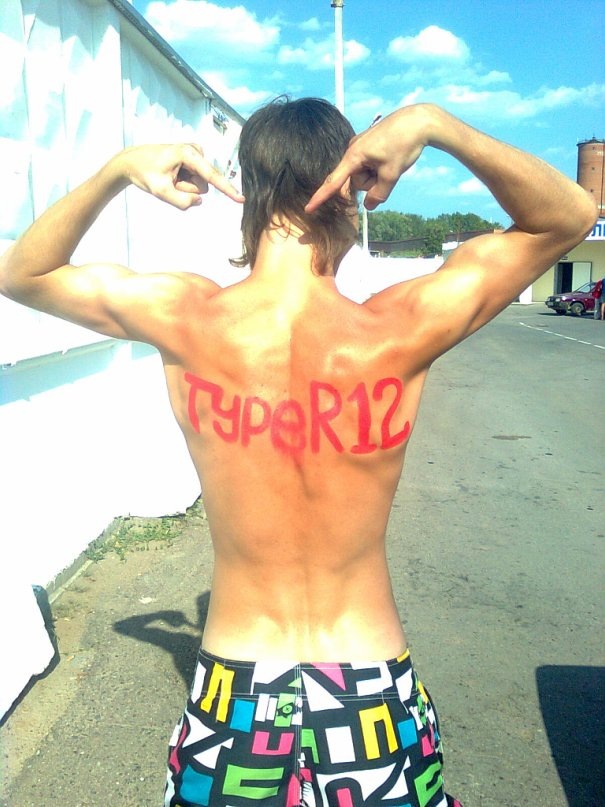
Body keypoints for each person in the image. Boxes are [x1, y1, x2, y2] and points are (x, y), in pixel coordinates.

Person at [0, 98, 597, 807]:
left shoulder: (186, 317)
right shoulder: (399, 327)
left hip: (235, 693)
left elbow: (23, 273)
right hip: (370, 694)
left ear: (248, 194)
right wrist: (433, 125)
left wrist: (119, 171)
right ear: (351, 190)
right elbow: (568, 217)